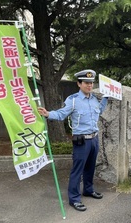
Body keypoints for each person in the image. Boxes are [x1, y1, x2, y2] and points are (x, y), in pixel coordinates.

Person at [37, 69, 108, 212]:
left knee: (90, 167)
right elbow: (61, 114)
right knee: (78, 170)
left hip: (94, 139)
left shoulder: (94, 99)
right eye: (86, 83)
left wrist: (106, 98)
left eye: (91, 83)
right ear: (79, 84)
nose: (89, 85)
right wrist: (48, 114)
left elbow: (99, 111)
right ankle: (74, 199)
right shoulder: (73, 100)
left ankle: (88, 190)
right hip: (81, 141)